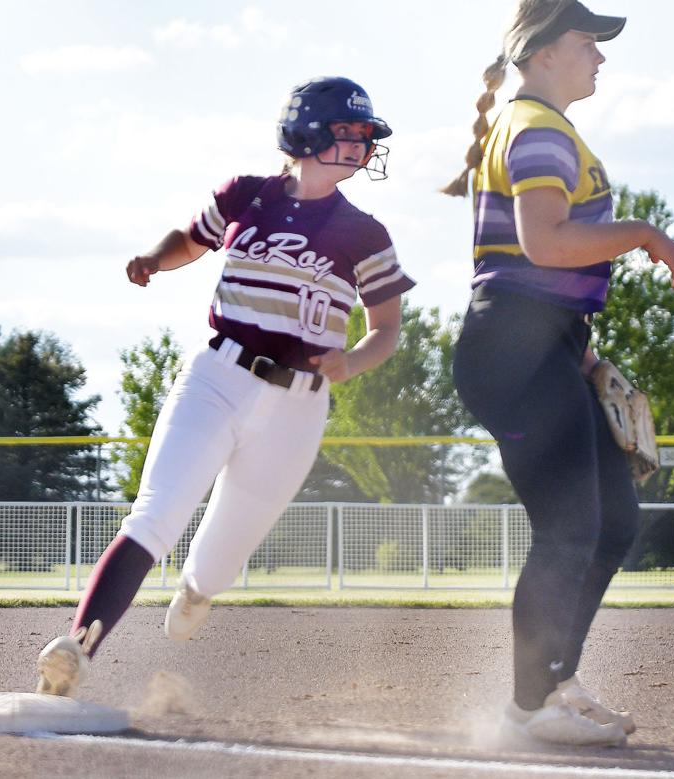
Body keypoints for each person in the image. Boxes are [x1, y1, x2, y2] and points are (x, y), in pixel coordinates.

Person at [36, 76, 415, 697]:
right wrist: (154, 260)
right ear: (305, 132)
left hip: (300, 405)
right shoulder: (249, 194)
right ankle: (79, 649)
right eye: (345, 132)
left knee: (218, 561)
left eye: (363, 136)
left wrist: (352, 361)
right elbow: (190, 238)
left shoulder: (365, 234)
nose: (358, 145)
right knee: (155, 516)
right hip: (218, 375)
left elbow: (387, 330)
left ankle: (198, 589)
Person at [443, 0, 674, 747]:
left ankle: (554, 679)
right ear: (545, 52)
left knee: (612, 521)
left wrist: (580, 355)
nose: (601, 58)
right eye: (589, 43)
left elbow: (532, 269)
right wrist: (643, 232)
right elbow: (544, 243)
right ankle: (526, 709)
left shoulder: (544, 127)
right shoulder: (538, 128)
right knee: (570, 528)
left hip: (541, 346)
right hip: (512, 350)